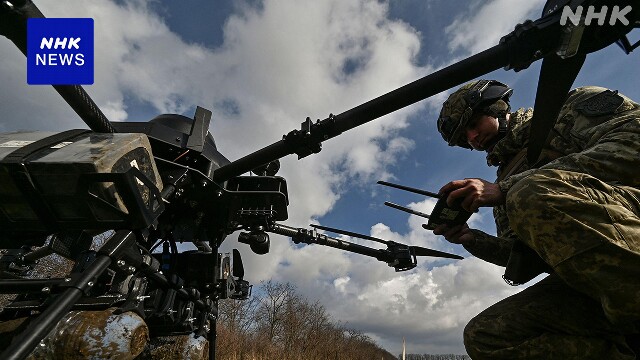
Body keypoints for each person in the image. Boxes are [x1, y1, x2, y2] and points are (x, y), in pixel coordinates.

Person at [432, 79, 640, 359]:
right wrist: (471, 239)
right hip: (593, 284)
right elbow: (528, 258)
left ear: (495, 107)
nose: (471, 138)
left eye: (472, 125)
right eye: (463, 139)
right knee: (485, 335)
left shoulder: (564, 110)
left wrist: (509, 190)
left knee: (528, 193)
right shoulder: (504, 183)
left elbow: (633, 141)